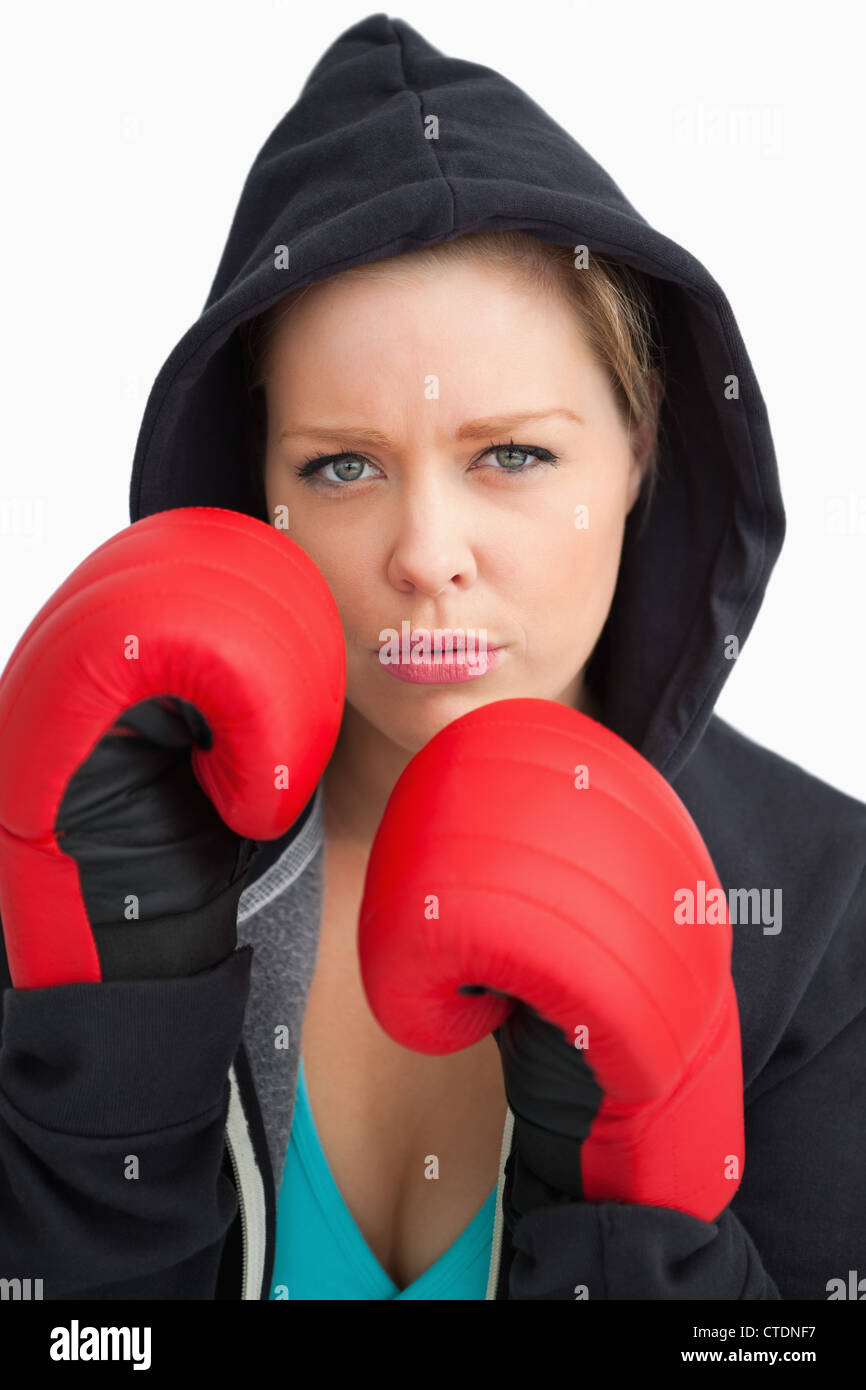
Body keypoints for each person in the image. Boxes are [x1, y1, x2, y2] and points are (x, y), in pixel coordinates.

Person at [1, 13, 864, 1303]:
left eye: (511, 455)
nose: (425, 553)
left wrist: (633, 1230)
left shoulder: (825, 913)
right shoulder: (79, 845)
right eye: (341, 466)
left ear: (640, 450)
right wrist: (114, 1061)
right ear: (256, 486)